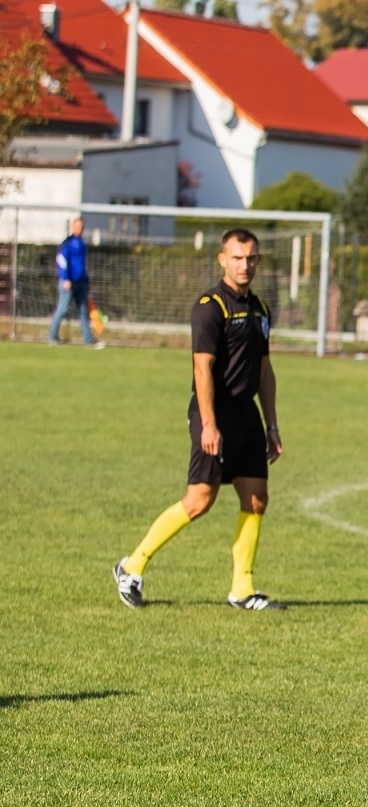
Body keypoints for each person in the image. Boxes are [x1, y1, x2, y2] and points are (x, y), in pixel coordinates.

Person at [113, 229, 286, 612]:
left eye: (252, 258)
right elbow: (201, 368)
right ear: (222, 259)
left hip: (248, 416)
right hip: (215, 413)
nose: (245, 265)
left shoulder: (260, 309)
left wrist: (271, 425)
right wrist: (209, 424)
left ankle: (242, 590)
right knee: (199, 501)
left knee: (256, 499)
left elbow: (265, 370)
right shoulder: (211, 307)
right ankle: (131, 566)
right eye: (237, 257)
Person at [48, 218, 102, 349]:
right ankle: (52, 337)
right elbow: (61, 261)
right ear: (73, 227)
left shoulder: (82, 244)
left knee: (83, 311)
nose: (79, 230)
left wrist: (86, 280)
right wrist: (66, 278)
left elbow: (82, 265)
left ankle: (88, 340)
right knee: (62, 310)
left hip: (80, 283)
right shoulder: (68, 243)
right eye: (77, 227)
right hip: (69, 283)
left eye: (81, 227)